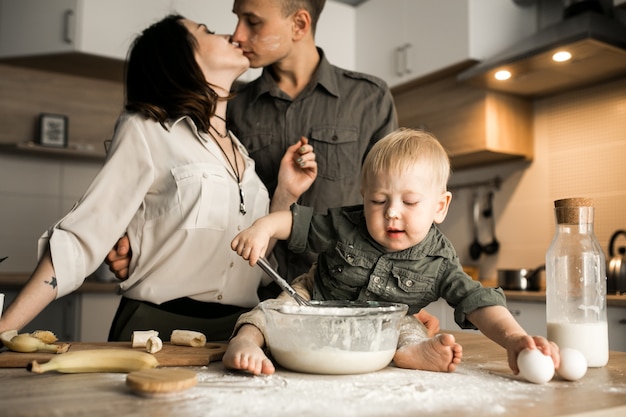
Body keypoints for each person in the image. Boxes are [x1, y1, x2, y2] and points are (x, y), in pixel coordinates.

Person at [105, 0, 441, 335]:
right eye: (236, 20)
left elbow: (397, 206)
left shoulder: (368, 98)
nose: (237, 35)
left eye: (252, 22)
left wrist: (407, 301)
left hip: (341, 299)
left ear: (299, 25)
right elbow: (178, 182)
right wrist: (131, 238)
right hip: (254, 307)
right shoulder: (227, 104)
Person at [0, 14, 317, 343]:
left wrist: (286, 192)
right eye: (206, 31)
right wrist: (5, 328)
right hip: (156, 329)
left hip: (236, 333)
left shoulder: (242, 156)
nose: (232, 35)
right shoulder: (147, 129)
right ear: (179, 57)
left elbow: (254, 253)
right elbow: (82, 236)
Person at [223, 128, 560, 377]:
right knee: (274, 309)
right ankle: (246, 342)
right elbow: (296, 222)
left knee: (408, 327)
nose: (392, 212)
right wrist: (263, 228)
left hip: (383, 326)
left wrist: (515, 338)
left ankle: (413, 353)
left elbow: (478, 301)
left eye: (410, 202)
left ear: (440, 207)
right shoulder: (345, 224)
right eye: (378, 201)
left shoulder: (439, 261)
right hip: (313, 303)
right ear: (363, 196)